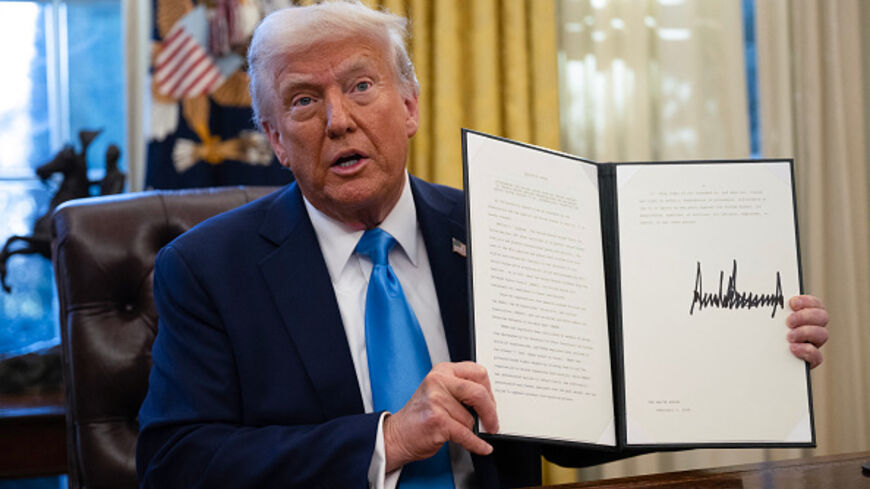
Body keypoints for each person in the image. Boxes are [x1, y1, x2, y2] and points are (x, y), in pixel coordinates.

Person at [136, 2, 830, 488]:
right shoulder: (204, 269)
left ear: (408, 106)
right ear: (276, 139)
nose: (339, 120)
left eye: (360, 85)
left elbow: (581, 417)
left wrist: (749, 349)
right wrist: (386, 439)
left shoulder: (502, 227)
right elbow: (177, 462)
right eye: (303, 102)